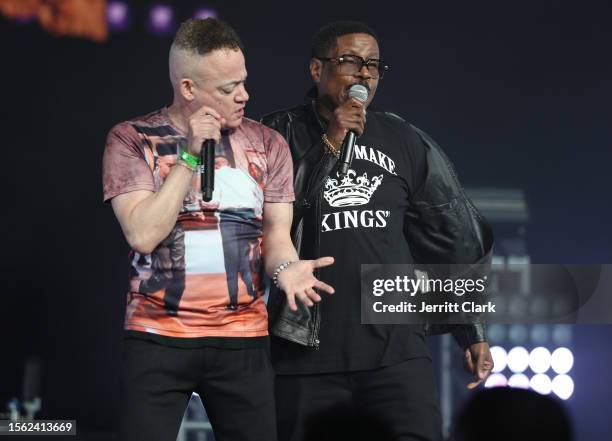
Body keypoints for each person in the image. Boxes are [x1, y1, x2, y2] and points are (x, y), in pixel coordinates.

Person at [261, 21, 495, 441]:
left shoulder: (403, 137)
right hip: (306, 352)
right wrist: (332, 141)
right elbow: (273, 219)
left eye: (373, 65)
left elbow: (454, 231)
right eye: (350, 62)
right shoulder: (278, 134)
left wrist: (471, 328)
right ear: (317, 70)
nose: (364, 74)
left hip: (395, 351)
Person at [102, 18, 334, 441]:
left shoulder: (268, 144)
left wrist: (287, 270)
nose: (244, 95)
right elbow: (143, 235)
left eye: (243, 82)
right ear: (188, 89)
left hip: (242, 337)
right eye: (228, 89)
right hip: (158, 335)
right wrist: (189, 157)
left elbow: (277, 238)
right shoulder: (133, 139)